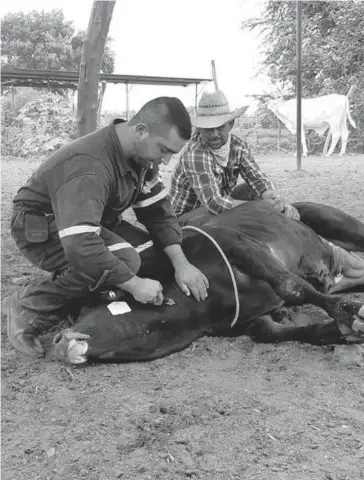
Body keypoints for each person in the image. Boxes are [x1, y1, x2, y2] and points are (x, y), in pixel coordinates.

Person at [7, 97, 209, 358]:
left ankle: (85, 295)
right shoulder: (89, 164)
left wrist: (182, 264)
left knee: (153, 256)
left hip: (91, 223)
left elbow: (157, 214)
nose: (167, 161)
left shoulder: (141, 158)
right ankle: (28, 304)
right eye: (164, 150)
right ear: (140, 131)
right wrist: (134, 284)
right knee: (126, 260)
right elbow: (80, 244)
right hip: (41, 226)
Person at [169, 89, 300, 226]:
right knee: (224, 217)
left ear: (230, 125)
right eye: (208, 129)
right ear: (200, 129)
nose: (214, 134)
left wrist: (276, 200)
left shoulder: (237, 146)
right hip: (186, 216)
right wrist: (259, 208)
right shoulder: (195, 154)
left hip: (215, 203)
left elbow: (257, 178)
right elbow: (213, 204)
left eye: (220, 127)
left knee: (254, 190)